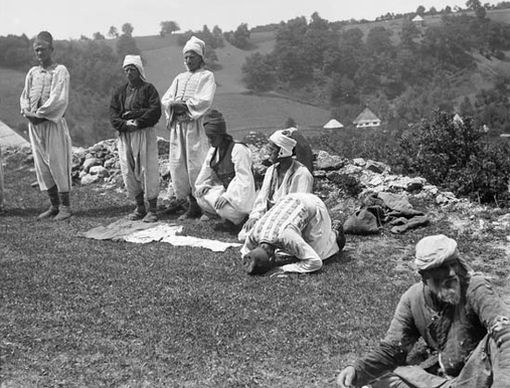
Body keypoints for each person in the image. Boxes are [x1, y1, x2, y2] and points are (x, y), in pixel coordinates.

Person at [336, 234, 510, 388]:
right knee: (387, 381)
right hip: (445, 379)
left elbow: (506, 335)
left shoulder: (475, 287)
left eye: (453, 264)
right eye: (442, 267)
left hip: (483, 375)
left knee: (496, 339)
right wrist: (357, 369)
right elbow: (392, 351)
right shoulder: (413, 299)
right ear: (424, 276)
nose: (451, 273)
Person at [161, 36, 216, 219]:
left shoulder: (207, 76)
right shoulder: (179, 78)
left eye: (192, 57)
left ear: (200, 57)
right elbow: (166, 98)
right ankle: (191, 205)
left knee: (197, 163)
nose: (188, 60)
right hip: (179, 127)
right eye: (186, 57)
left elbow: (205, 100)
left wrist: (184, 105)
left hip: (195, 126)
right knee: (180, 165)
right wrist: (172, 105)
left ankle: (205, 206)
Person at [20, 31, 73, 221]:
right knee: (42, 165)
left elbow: (59, 99)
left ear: (51, 49)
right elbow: (25, 96)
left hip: (52, 124)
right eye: (36, 50)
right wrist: (27, 112)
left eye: (43, 49)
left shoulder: (60, 71)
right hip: (35, 127)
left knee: (57, 163)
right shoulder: (32, 73)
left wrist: (40, 115)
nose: (39, 53)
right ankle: (54, 205)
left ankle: (66, 207)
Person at [110, 55, 162, 222]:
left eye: (132, 69)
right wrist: (126, 125)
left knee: (148, 168)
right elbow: (113, 115)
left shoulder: (149, 89)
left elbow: (154, 111)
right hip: (126, 136)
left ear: (139, 70)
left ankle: (152, 209)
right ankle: (140, 207)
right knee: (129, 170)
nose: (129, 73)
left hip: (144, 134)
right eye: (126, 70)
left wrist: (137, 119)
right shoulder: (120, 92)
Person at [241, 192, 345, 275]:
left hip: (313, 204)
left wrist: (283, 268)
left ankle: (336, 234)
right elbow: (246, 250)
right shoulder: (255, 233)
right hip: (291, 198)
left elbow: (315, 262)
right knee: (297, 251)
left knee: (318, 254)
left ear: (272, 258)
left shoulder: (286, 236)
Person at [239, 128, 313, 240]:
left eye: (271, 149)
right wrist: (254, 217)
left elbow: (300, 208)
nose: (268, 152)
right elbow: (262, 199)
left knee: (273, 238)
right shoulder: (271, 170)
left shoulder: (302, 174)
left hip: (289, 221)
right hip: (271, 217)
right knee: (244, 235)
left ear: (282, 151)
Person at [194, 110, 256, 231]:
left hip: (241, 198)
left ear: (221, 134)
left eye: (212, 137)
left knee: (223, 209)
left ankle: (240, 219)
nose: (210, 141)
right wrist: (206, 184)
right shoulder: (213, 151)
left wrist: (228, 196)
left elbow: (245, 181)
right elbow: (204, 174)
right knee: (200, 196)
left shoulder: (238, 149)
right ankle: (219, 215)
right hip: (227, 192)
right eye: (208, 138)